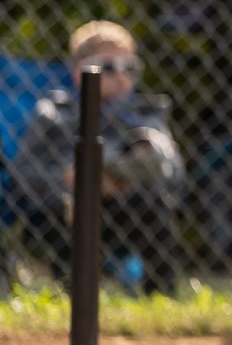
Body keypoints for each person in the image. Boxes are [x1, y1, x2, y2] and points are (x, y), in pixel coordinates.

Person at [9, 21, 186, 296]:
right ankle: (71, 292)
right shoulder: (54, 115)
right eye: (108, 67)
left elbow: (173, 172)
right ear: (79, 72)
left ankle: (160, 295)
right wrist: (65, 178)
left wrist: (126, 179)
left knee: (156, 204)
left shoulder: (144, 117)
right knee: (63, 210)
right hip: (68, 208)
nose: (120, 76)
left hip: (124, 208)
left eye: (130, 68)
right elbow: (23, 173)